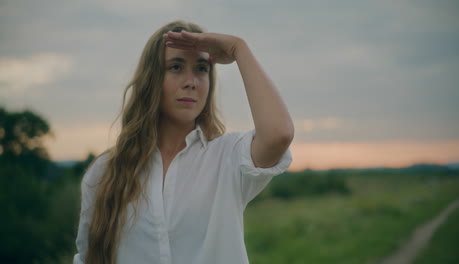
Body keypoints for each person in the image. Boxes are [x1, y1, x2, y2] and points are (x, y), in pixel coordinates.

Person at [73, 20, 294, 264]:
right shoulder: (104, 172)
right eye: (176, 67)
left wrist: (238, 49)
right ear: (152, 79)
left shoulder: (228, 158)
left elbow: (278, 134)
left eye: (201, 69)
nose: (191, 81)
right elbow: (88, 258)